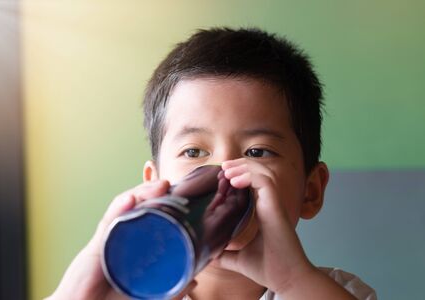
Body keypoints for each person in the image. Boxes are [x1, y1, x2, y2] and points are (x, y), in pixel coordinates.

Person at [48, 27, 377, 300]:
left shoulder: (331, 291)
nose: (225, 173)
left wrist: (292, 280)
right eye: (194, 152)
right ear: (155, 185)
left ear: (311, 191)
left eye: (257, 152)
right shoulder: (134, 292)